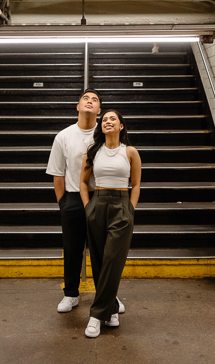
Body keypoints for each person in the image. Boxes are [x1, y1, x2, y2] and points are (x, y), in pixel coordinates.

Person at [47, 89, 125, 315]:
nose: (90, 102)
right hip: (72, 197)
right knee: (72, 249)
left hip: (101, 196)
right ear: (78, 106)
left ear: (99, 110)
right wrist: (63, 203)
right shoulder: (64, 136)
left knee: (104, 252)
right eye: (86, 99)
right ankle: (71, 294)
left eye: (95, 100)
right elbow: (57, 173)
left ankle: (107, 295)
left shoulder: (105, 132)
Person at [79, 109, 141, 338]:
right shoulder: (93, 151)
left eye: (112, 118)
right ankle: (112, 309)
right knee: (98, 259)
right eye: (104, 119)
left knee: (113, 259)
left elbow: (136, 184)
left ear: (121, 126)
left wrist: (130, 210)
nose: (107, 121)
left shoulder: (130, 152)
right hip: (98, 203)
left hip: (121, 205)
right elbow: (83, 182)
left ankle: (96, 315)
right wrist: (88, 208)